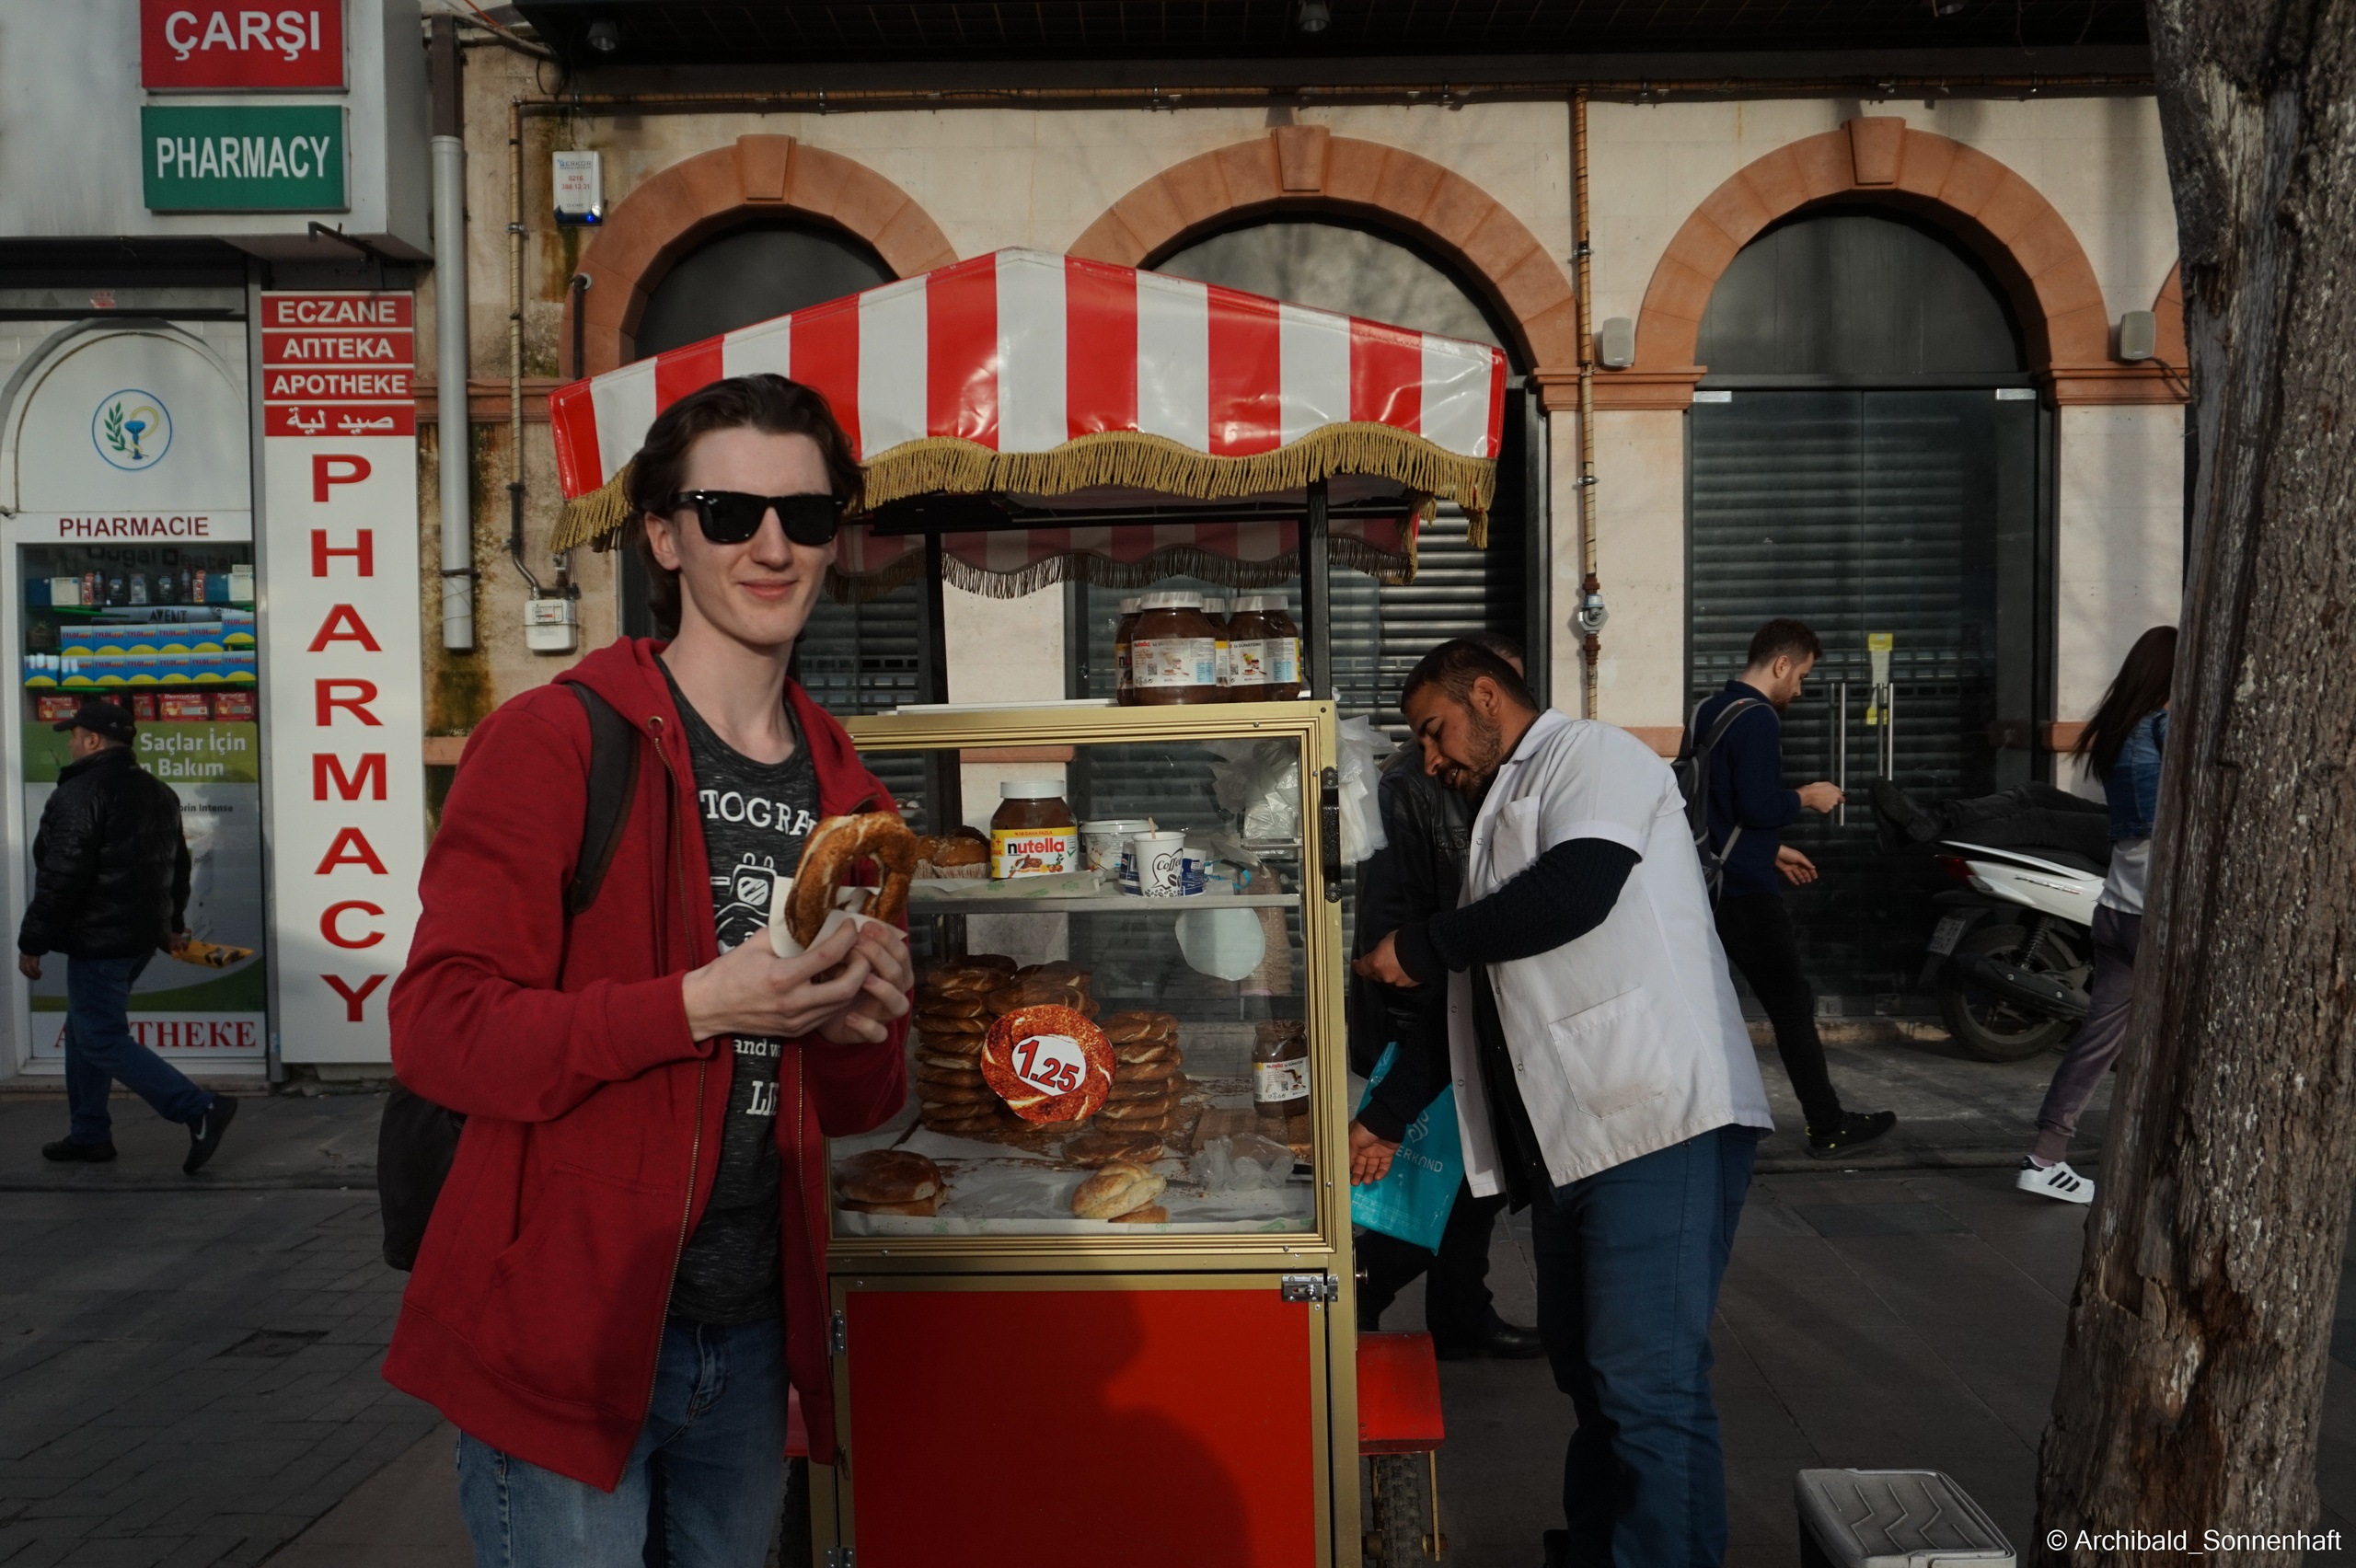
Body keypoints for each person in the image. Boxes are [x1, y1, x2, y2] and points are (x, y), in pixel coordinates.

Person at [384, 375, 914, 1568]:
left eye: (805, 515)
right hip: (564, 1329)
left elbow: (854, 1107)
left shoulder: (851, 794)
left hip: (750, 1332)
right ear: (665, 538)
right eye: (728, 513)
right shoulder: (557, 741)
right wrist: (695, 1005)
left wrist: (859, 1032)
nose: (771, 546)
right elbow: (439, 1029)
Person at [1352, 640, 1773, 1568]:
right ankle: (1600, 1547)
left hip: (1657, 1120)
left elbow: (1575, 892)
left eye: (1435, 730)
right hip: (1572, 1137)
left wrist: (1423, 944)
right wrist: (1381, 1118)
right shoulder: (1498, 806)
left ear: (1486, 695)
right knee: (1590, 1374)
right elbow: (1473, 1004)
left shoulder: (1593, 755)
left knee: (1647, 1383)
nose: (1429, 757)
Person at [1349, 629, 1542, 1361]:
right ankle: (1362, 1288)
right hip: (1430, 1018)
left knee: (1475, 1181)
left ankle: (1460, 1311)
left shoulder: (1507, 778)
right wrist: (1414, 1050)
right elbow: (1390, 929)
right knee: (1441, 1183)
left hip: (1480, 1012)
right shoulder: (1413, 784)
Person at [1691, 619, 1897, 1159]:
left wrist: (1773, 850)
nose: (1800, 690)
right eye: (1801, 676)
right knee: (1790, 1005)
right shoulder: (1758, 718)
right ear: (1781, 664)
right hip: (1744, 891)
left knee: (1717, 1005)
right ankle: (1827, 1126)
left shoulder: (1708, 710)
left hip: (1710, 881)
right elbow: (1758, 806)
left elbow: (1713, 806)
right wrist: (1807, 796)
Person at [19, 698, 228, 1173]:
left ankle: (198, 1108)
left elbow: (61, 874)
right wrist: (171, 924)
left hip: (100, 937)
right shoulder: (158, 791)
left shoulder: (81, 793)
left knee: (98, 1036)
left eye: (75, 737)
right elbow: (177, 865)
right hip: (136, 938)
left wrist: (32, 940)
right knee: (85, 1030)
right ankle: (89, 1134)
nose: (71, 745)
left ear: (93, 741)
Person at [2014, 625, 2177, 1205]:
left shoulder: (2117, 731)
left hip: (2115, 910)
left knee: (2096, 1043)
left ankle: (2045, 1157)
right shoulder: (2163, 727)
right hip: (2156, 917)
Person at [1868, 778, 2111, 863]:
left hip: (2132, 840)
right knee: (2034, 793)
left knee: (2039, 822)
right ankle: (1937, 817)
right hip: (2125, 821)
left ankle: (1916, 841)